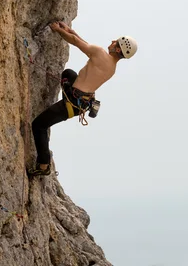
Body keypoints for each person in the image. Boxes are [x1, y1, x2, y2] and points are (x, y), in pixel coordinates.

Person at [28, 21, 138, 176]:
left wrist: (58, 30)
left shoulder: (99, 53)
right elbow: (84, 44)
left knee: (39, 125)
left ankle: (44, 165)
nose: (112, 42)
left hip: (71, 102)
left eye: (116, 42)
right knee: (69, 74)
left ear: (118, 48)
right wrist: (70, 30)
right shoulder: (112, 67)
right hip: (81, 103)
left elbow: (76, 43)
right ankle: (44, 161)